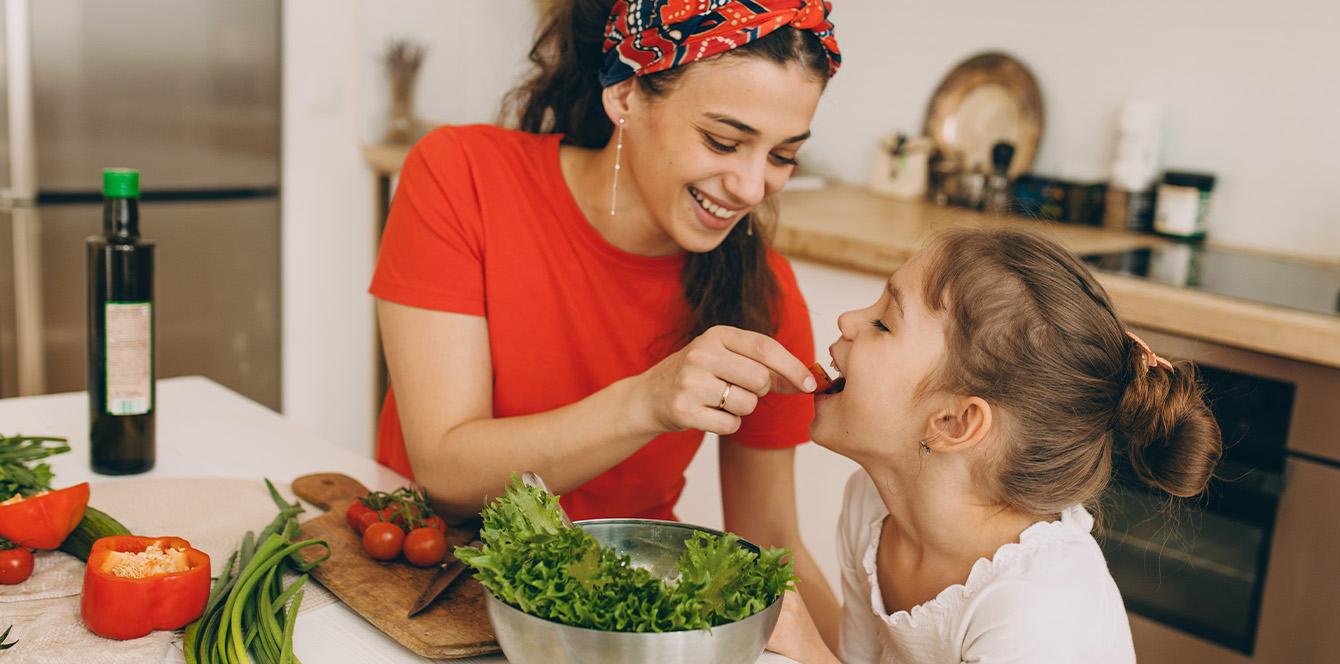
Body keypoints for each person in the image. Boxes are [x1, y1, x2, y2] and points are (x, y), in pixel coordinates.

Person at [369, 0, 845, 642]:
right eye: (723, 142)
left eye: (783, 155)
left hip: (613, 627)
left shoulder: (764, 293)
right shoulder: (463, 176)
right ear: (625, 95)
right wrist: (650, 400)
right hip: (414, 588)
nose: (752, 187)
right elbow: (447, 475)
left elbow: (769, 539)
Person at [766, 228, 1224, 663]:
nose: (848, 320)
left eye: (884, 324)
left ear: (953, 422)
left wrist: (808, 652)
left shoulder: (1034, 607)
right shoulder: (870, 507)